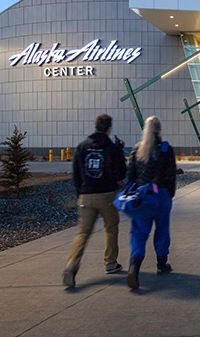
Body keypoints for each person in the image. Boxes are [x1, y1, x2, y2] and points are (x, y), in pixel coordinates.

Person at [63, 114, 127, 289]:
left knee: (83, 233)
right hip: (107, 195)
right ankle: (110, 263)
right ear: (109, 128)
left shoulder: (83, 147)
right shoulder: (112, 148)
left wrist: (80, 193)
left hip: (86, 195)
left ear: (94, 126)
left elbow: (76, 173)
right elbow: (121, 172)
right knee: (111, 229)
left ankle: (71, 265)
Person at [126, 116, 177, 290]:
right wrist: (170, 193)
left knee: (139, 232)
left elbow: (130, 176)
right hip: (160, 193)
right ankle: (162, 264)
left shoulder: (137, 149)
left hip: (142, 195)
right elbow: (171, 175)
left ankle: (134, 265)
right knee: (162, 229)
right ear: (159, 129)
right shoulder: (165, 149)